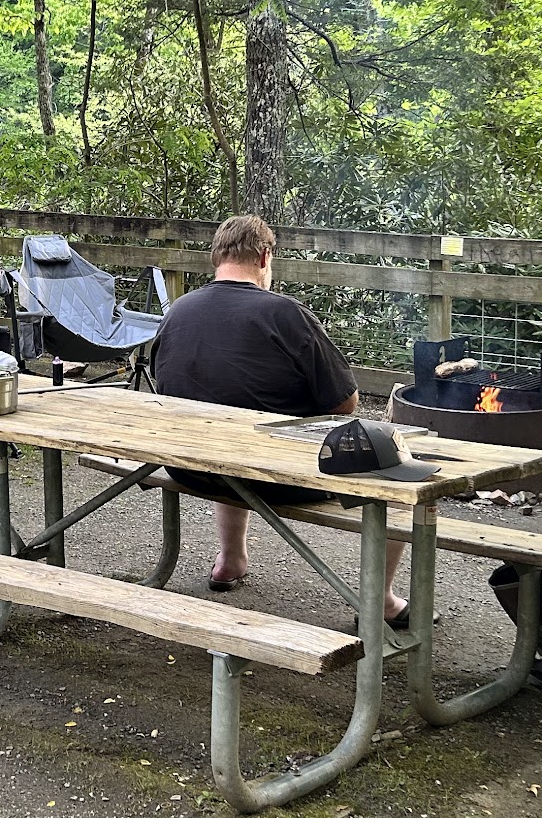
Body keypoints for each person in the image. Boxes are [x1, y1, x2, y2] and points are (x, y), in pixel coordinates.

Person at [150, 214, 414, 625]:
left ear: (216, 257)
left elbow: (164, 385)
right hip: (272, 475)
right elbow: (345, 403)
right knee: (400, 481)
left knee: (229, 437)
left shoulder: (178, 311)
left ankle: (230, 561)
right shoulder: (285, 314)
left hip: (190, 466)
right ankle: (380, 602)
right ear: (265, 256)